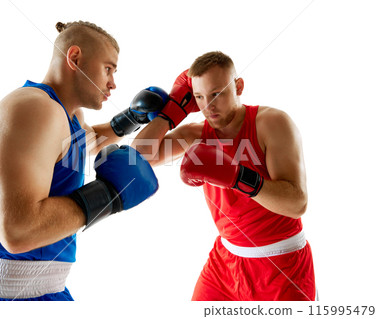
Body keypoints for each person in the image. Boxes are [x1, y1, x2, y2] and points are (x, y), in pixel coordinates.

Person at [0, 20, 168, 301]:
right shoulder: (34, 109)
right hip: (11, 296)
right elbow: (17, 231)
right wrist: (108, 195)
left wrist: (132, 118)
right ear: (75, 57)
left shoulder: (66, 115)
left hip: (41, 289)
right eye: (108, 68)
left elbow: (85, 143)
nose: (113, 83)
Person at [131, 51, 316, 301]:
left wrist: (236, 176)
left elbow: (297, 204)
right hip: (224, 264)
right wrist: (171, 113)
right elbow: (137, 157)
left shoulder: (271, 123)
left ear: (238, 86)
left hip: (282, 265)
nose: (208, 106)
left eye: (216, 94)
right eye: (199, 97)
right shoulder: (196, 134)